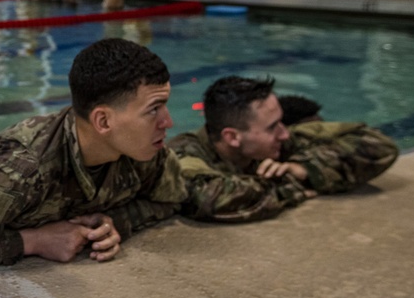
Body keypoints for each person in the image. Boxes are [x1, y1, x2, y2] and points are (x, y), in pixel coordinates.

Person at [0, 38, 186, 275]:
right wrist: (31, 242)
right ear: (103, 122)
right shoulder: (18, 169)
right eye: (154, 109)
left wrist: (113, 222)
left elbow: (172, 199)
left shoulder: (145, 150)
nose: (168, 122)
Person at [169, 76, 399, 223]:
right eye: (272, 127)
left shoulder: (276, 143)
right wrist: (289, 186)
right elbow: (206, 198)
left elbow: (378, 144)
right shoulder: (184, 153)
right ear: (232, 137)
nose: (285, 133)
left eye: (281, 122)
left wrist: (303, 168)